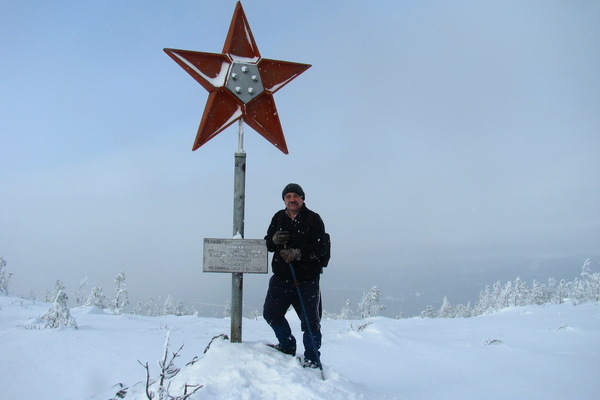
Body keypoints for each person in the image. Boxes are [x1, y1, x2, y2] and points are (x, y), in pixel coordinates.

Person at [263, 183, 328, 368]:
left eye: (295, 196)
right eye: (288, 197)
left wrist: (298, 253)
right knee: (271, 314)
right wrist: (274, 239)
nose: (292, 200)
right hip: (281, 279)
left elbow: (321, 248)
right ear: (284, 200)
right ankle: (287, 345)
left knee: (310, 322)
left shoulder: (313, 219)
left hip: (306, 281)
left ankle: (312, 358)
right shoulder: (278, 217)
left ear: (302, 198)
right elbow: (268, 244)